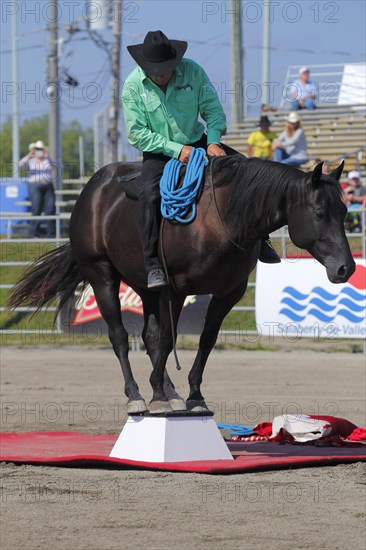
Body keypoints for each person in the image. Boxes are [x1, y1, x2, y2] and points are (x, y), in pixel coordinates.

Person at [122, 30, 280, 288]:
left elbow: (213, 111)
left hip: (200, 142)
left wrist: (214, 140)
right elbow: (137, 133)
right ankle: (152, 263)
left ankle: (262, 240)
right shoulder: (132, 86)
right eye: (156, 70)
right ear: (144, 66)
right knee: (149, 193)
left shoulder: (193, 72)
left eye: (166, 68)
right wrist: (177, 150)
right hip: (159, 150)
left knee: (248, 173)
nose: (161, 74)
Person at [19, 140, 56, 238]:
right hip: (35, 186)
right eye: (37, 149)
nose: (39, 151)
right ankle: (34, 234)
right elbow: (21, 165)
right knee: (36, 209)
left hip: (48, 186)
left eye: (41, 149)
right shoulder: (30, 161)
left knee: (50, 209)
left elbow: (56, 165)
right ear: (34, 150)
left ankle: (51, 235)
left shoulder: (47, 160)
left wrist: (48, 156)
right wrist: (30, 155)